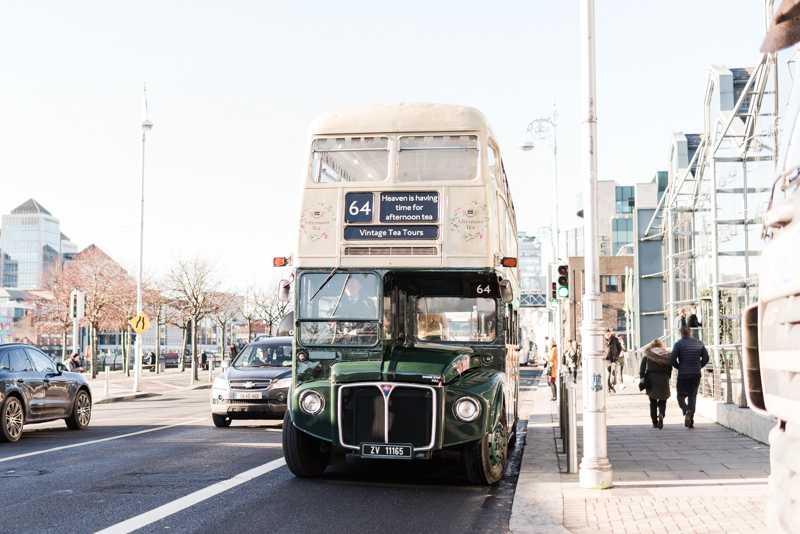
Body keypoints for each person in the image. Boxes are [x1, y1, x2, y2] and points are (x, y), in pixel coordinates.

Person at [670, 327, 710, 428]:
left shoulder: (678, 344)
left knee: (680, 396)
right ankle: (691, 420)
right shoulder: (699, 343)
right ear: (691, 333)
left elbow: (672, 359)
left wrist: (679, 367)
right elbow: (706, 358)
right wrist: (699, 366)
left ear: (681, 334)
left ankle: (686, 410)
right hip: (696, 374)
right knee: (692, 397)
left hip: (683, 373)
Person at [640, 338, 672, 429]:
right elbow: (670, 369)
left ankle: (654, 422)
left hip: (651, 379)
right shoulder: (667, 354)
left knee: (652, 401)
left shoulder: (648, 355)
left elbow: (642, 368)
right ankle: (661, 414)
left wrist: (642, 378)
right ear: (662, 346)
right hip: (664, 378)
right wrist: (668, 377)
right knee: (663, 400)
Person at [604, 329, 622, 393]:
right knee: (608, 374)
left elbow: (620, 348)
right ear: (605, 334)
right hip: (606, 360)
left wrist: (617, 355)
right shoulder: (602, 340)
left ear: (610, 333)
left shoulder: (615, 339)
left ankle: (612, 384)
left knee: (613, 371)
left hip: (614, 359)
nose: (608, 335)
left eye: (609, 333)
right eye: (607, 334)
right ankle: (608, 387)